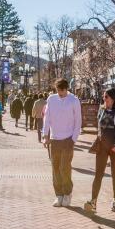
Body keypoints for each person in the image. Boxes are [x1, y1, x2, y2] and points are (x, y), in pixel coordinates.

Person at [85, 88, 115, 213]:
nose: (104, 99)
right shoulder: (101, 110)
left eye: (106, 97)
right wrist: (98, 141)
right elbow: (99, 128)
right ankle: (93, 201)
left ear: (113, 98)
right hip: (102, 148)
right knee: (98, 174)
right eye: (103, 97)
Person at [42, 79, 82, 207]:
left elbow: (78, 121)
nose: (59, 93)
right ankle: (58, 195)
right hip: (54, 139)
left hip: (68, 139)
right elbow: (46, 118)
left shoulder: (74, 101)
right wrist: (45, 135)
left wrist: (73, 139)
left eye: (61, 90)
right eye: (57, 90)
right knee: (55, 168)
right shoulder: (51, 99)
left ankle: (67, 193)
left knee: (65, 167)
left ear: (66, 89)